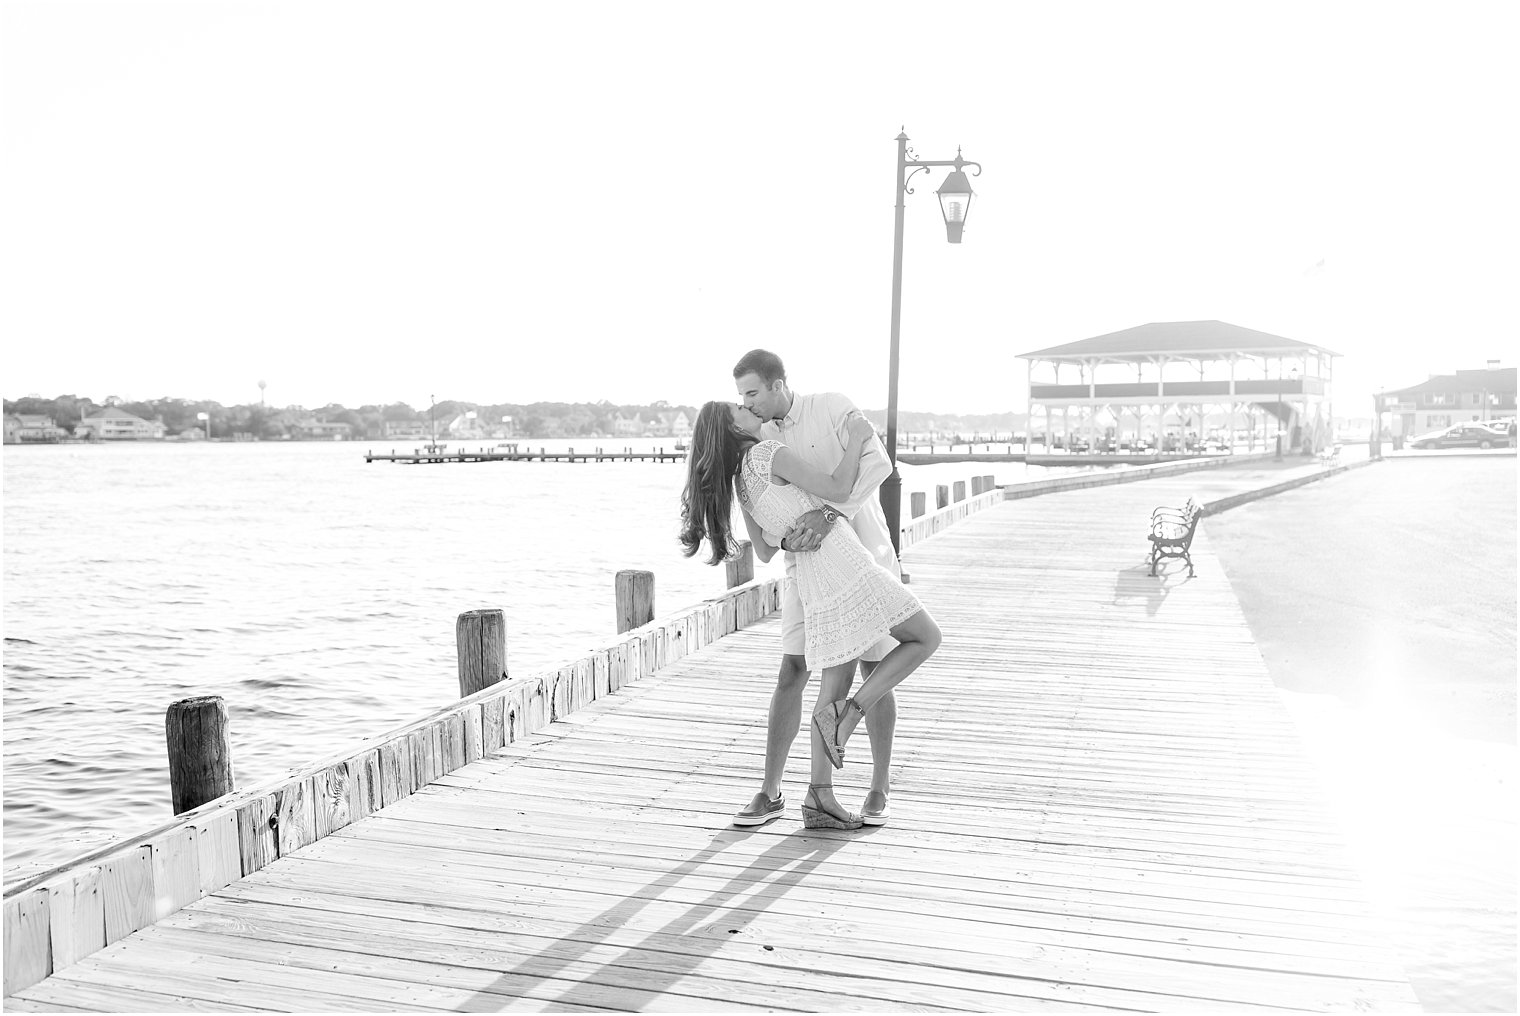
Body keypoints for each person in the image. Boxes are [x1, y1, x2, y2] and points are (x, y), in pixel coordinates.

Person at [679, 394, 942, 829]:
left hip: (811, 576)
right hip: (843, 560)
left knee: (834, 677)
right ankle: (850, 716)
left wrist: (789, 540)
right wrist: (860, 436)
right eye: (741, 411)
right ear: (735, 428)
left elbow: (763, 549)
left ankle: (820, 799)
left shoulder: (739, 482)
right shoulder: (768, 453)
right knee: (925, 637)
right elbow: (839, 489)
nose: (752, 412)